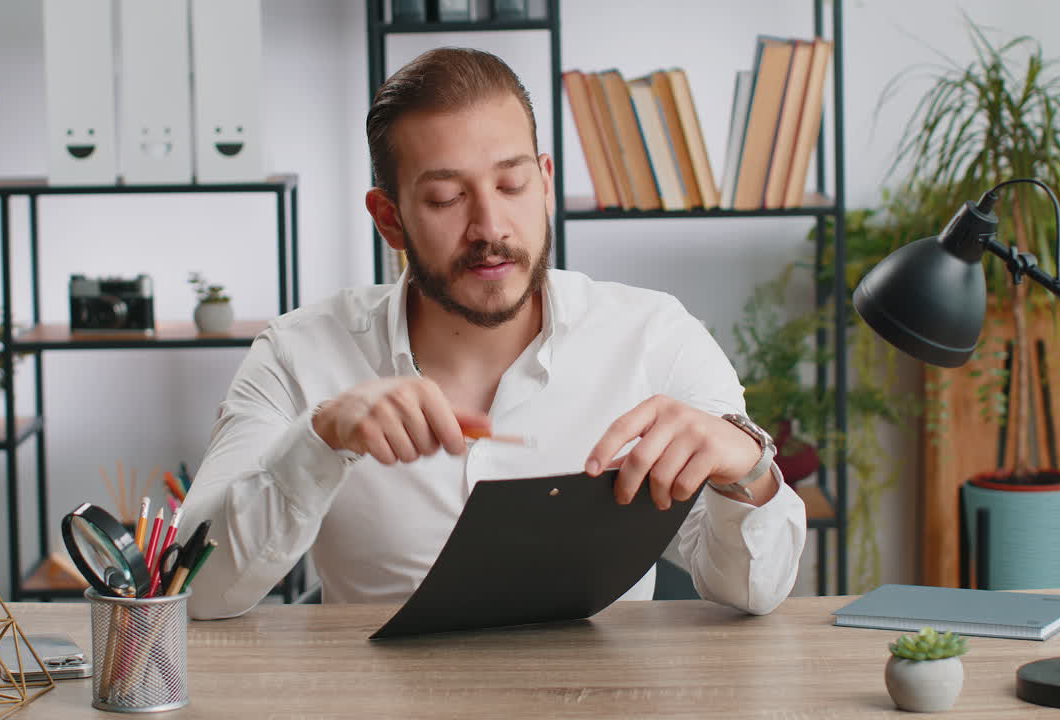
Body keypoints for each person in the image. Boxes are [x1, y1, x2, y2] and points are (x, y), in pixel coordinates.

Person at [179, 47, 805, 620]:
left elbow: (755, 589)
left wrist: (746, 471)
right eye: (447, 197)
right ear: (389, 218)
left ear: (546, 182)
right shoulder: (298, 353)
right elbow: (191, 591)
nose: (490, 225)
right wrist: (319, 439)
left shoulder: (657, 337)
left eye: (511, 185)